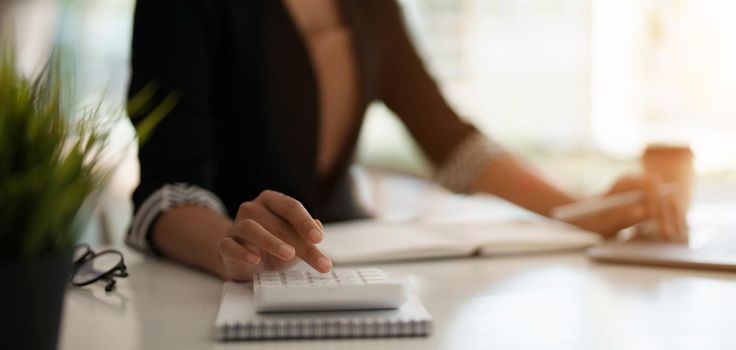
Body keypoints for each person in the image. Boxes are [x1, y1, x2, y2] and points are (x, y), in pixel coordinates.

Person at [127, 0, 683, 281]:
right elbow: (167, 189)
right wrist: (232, 242)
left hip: (344, 261)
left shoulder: (371, 6)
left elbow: (452, 144)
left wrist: (579, 209)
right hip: (215, 277)